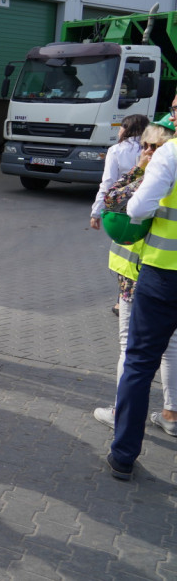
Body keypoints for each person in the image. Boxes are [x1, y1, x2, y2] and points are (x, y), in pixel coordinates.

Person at [94, 120, 177, 440]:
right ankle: (170, 412)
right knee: (169, 347)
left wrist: (140, 171)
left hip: (142, 274)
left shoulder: (156, 173)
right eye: (144, 145)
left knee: (131, 351)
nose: (146, 151)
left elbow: (114, 201)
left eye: (153, 146)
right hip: (154, 273)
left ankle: (121, 413)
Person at [91, 114, 150, 316]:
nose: (118, 131)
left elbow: (107, 183)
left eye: (120, 128)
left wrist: (96, 211)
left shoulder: (116, 150)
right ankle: (129, 298)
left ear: (126, 129)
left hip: (120, 210)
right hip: (145, 208)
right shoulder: (153, 149)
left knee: (122, 258)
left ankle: (122, 301)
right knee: (139, 258)